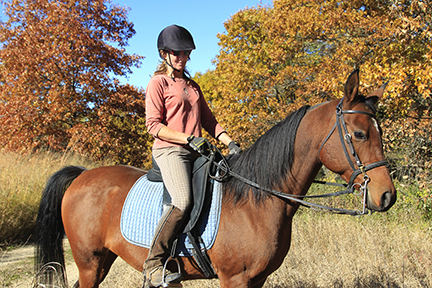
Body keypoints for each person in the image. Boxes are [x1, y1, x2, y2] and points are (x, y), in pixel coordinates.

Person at [144, 24, 241, 287]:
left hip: (197, 151)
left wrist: (231, 143)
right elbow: (153, 125)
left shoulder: (192, 85)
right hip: (170, 151)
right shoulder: (158, 83)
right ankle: (154, 262)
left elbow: (209, 120)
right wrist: (187, 138)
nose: (183, 57)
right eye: (177, 53)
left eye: (186, 52)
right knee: (182, 201)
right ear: (164, 54)